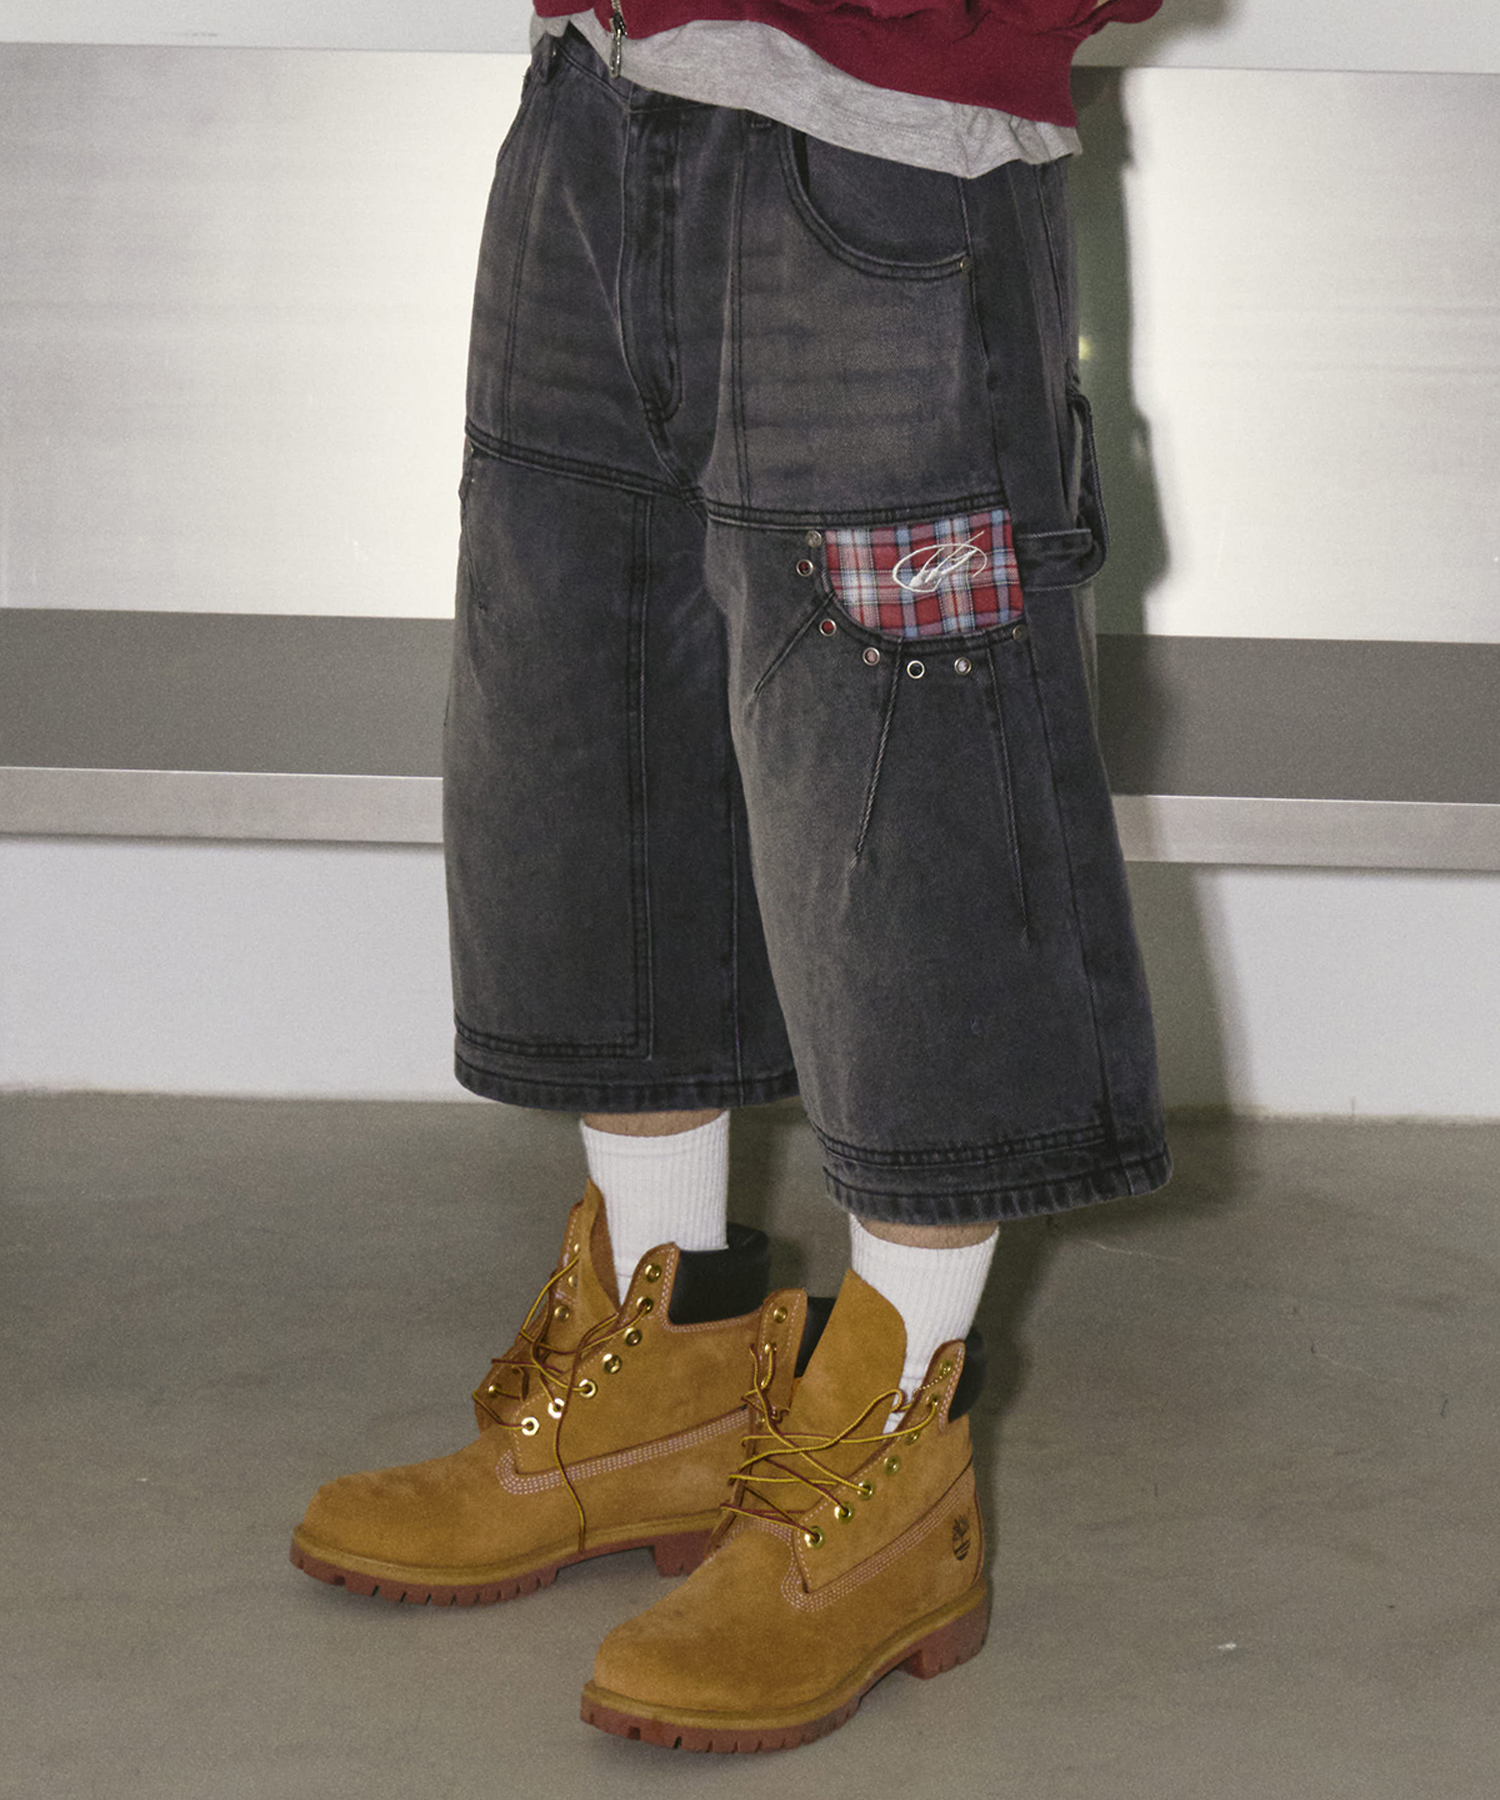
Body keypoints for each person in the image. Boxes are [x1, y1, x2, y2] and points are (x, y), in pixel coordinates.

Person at [292, 0, 1170, 1752]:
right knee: (584, 726)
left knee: (912, 794)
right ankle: (662, 1366)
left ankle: (890, 1461)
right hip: (597, 103)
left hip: (881, 143)